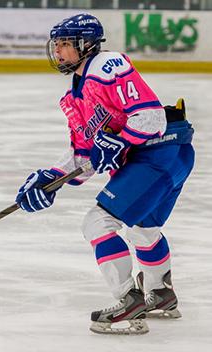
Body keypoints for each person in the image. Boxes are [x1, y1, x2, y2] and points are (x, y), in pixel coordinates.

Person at [15, 14, 194, 335]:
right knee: (144, 228)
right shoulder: (73, 97)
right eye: (56, 45)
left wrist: (122, 141)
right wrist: (49, 178)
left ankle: (128, 301)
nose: (58, 52)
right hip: (168, 155)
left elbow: (151, 116)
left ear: (86, 45)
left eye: (65, 45)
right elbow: (84, 154)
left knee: (97, 223)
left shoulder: (106, 65)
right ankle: (162, 295)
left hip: (158, 151)